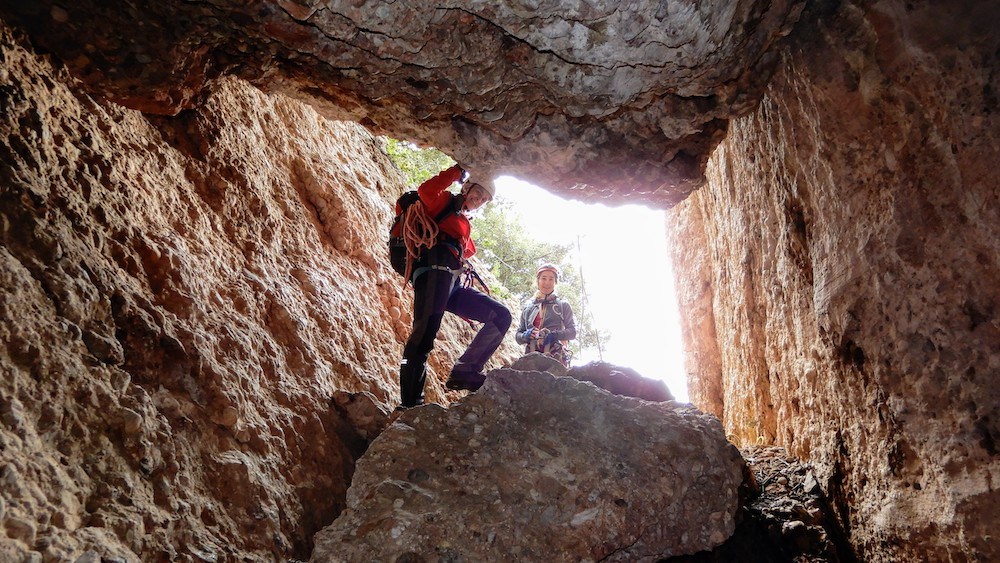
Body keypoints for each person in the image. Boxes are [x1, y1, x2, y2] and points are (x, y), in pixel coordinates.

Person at [397, 163, 512, 408]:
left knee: (500, 316)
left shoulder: (463, 221)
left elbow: (469, 250)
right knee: (423, 336)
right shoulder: (445, 202)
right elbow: (427, 190)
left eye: (484, 199)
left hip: (453, 282)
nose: (480, 200)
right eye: (477, 193)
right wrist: (457, 171)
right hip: (434, 273)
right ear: (467, 188)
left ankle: (465, 371)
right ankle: (410, 404)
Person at [515, 264, 576, 366]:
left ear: (555, 282)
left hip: (555, 357)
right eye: (544, 278)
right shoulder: (528, 308)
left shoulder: (562, 306)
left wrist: (556, 335)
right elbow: (518, 336)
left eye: (551, 279)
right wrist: (526, 335)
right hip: (531, 358)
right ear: (538, 281)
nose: (547, 282)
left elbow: (572, 332)